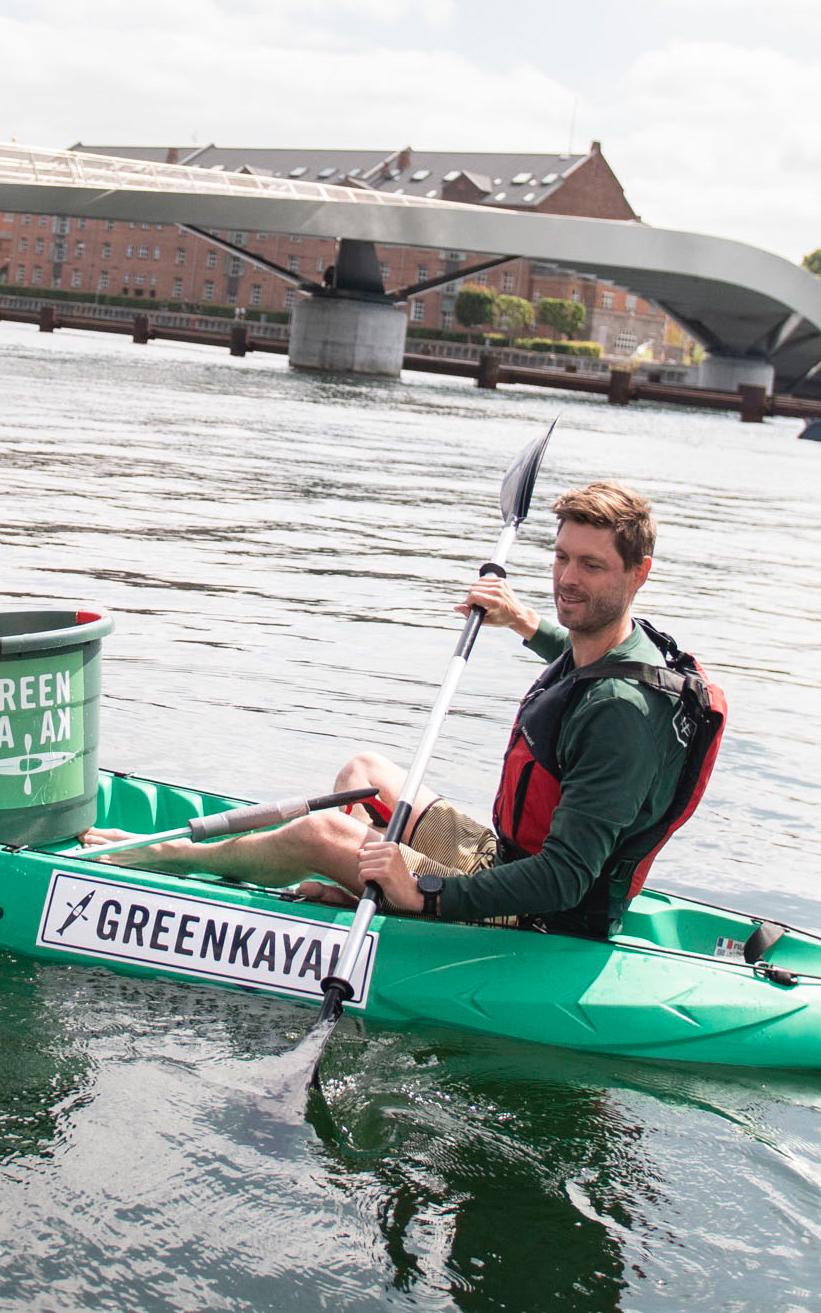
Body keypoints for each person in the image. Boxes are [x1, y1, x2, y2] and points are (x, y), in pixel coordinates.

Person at [82, 481, 722, 935]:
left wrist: (430, 892)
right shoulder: (616, 648)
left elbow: (564, 880)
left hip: (543, 911)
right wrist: (521, 621)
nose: (567, 579)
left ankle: (173, 860)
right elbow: (577, 661)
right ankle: (363, 889)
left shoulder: (622, 715)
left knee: (320, 830)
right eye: (560, 557)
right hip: (506, 858)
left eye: (591, 565)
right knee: (364, 772)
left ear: (639, 574)